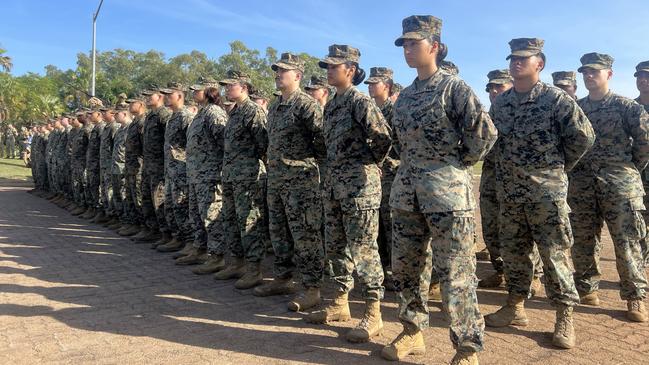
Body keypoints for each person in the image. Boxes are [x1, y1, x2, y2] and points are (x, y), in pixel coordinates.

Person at [381, 16, 497, 364]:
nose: (407, 49)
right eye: (404, 44)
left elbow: (485, 134)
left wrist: (454, 164)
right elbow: (400, 144)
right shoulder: (404, 97)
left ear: (434, 46)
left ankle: (467, 347)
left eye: (413, 43)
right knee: (407, 270)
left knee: (456, 274)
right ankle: (413, 331)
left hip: (447, 196)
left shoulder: (454, 88)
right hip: (406, 196)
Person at [486, 38, 595, 350]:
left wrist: (557, 168)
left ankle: (564, 315)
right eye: (513, 58)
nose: (516, 63)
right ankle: (515, 307)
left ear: (540, 64)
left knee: (554, 256)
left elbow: (583, 137)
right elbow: (493, 142)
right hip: (510, 195)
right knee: (515, 253)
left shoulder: (555, 99)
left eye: (524, 58)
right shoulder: (502, 104)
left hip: (546, 195)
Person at [305, 44, 391, 345]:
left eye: (333, 66)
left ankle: (374, 311)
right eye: (327, 66)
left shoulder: (359, 101)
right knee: (336, 248)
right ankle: (340, 303)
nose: (328, 71)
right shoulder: (333, 104)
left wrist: (366, 165)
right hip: (334, 187)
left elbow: (383, 139)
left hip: (359, 189)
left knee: (364, 250)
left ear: (350, 70)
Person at [568, 53, 649, 321]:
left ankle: (635, 297)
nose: (589, 76)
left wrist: (627, 171)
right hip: (582, 186)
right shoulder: (576, 109)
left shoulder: (626, 107)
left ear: (609, 74)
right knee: (582, 239)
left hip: (620, 185)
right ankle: (587, 287)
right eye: (585, 72)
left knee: (627, 241)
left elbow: (644, 144)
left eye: (595, 71)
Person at [252, 53, 326, 313]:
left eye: (283, 70)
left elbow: (322, 142)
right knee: (279, 232)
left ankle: (312, 288)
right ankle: (283, 278)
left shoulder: (307, 105)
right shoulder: (274, 106)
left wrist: (308, 167)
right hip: (276, 179)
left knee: (305, 235)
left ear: (297, 75)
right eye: (277, 70)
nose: (277, 74)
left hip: (301, 182)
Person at [478, 70, 544, 295]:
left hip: (520, 183)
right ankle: (501, 270)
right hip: (491, 178)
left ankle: (533, 275)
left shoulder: (527, 110)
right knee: (492, 228)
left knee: (523, 232)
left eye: (499, 86)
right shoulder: (488, 115)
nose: (494, 91)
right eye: (490, 88)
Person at [214, 70, 269, 290]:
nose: (227, 89)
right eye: (225, 86)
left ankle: (254, 269)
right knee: (230, 220)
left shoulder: (253, 111)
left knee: (248, 222)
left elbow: (263, 144)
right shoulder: (235, 112)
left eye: (231, 85)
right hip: (230, 175)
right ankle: (235, 263)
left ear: (244, 87)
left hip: (247, 176)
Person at [177, 78, 229, 272]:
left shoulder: (214, 112)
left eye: (197, 90)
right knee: (196, 215)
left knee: (211, 216)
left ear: (209, 91)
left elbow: (224, 142)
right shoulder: (201, 113)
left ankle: (217, 257)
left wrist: (217, 169)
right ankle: (199, 249)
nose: (193, 93)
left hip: (210, 175)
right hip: (196, 174)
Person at [364, 66, 399, 291]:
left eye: (374, 83)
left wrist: (380, 162)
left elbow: (397, 144)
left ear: (386, 86)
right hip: (375, 177)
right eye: (368, 83)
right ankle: (384, 269)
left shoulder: (393, 111)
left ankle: (396, 272)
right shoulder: (370, 108)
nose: (369, 87)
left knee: (391, 225)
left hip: (391, 175)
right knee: (377, 228)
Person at [155, 82, 193, 253]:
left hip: (181, 171)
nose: (167, 97)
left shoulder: (186, 116)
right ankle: (178, 238)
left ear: (179, 96)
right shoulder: (173, 117)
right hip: (170, 171)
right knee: (171, 207)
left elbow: (192, 145)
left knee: (181, 207)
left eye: (170, 94)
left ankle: (190, 243)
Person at [135, 84, 172, 244]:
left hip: (159, 166)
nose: (148, 98)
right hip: (148, 165)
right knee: (147, 199)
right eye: (146, 95)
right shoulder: (150, 116)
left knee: (159, 200)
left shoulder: (164, 114)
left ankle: (166, 234)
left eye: (151, 95)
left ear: (160, 97)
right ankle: (152, 229)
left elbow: (169, 141)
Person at [118, 95, 147, 237]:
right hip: (130, 166)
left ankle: (145, 227)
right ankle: (134, 224)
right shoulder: (135, 122)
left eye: (132, 103)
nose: (129, 105)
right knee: (132, 197)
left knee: (140, 198)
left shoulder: (143, 121)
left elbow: (145, 147)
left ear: (141, 104)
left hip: (139, 167)